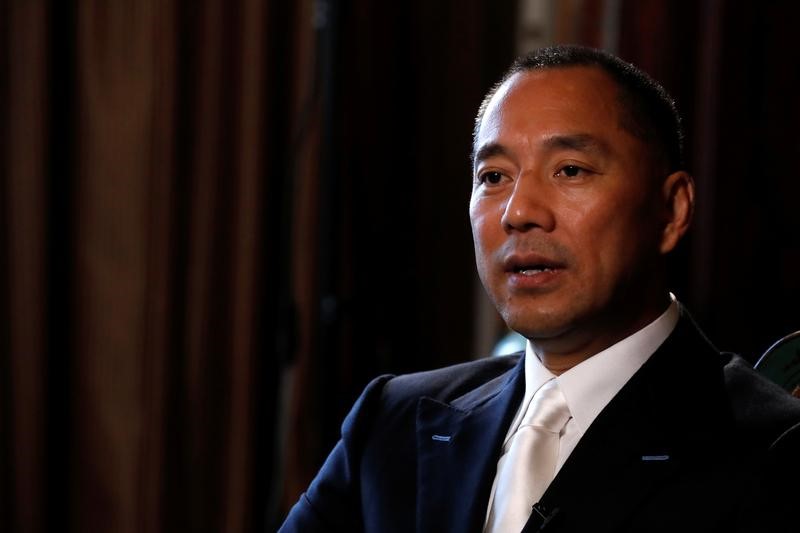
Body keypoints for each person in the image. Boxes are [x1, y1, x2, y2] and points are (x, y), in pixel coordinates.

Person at [279, 45, 800, 532]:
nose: (518, 213)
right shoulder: (391, 420)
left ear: (671, 210)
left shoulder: (769, 447)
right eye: (493, 177)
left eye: (569, 170)